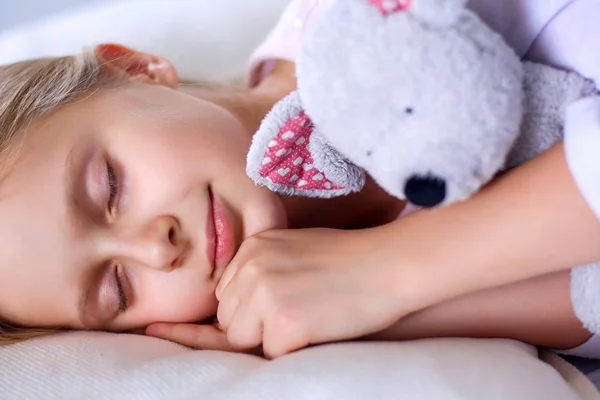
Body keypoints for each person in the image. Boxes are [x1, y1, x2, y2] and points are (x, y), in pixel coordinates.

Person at [0, 0, 599, 361]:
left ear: (134, 68)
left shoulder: (353, 25)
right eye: (117, 291)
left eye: (109, 187)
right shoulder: (359, 319)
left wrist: (384, 269)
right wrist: (369, 311)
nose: (154, 247)